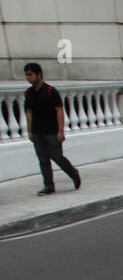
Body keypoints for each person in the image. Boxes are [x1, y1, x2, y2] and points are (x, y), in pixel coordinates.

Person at [23, 62, 81, 196]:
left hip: (52, 132)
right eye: (26, 75)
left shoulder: (50, 91)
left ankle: (73, 174)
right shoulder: (28, 93)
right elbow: (29, 113)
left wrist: (61, 131)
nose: (28, 78)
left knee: (57, 157)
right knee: (43, 160)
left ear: (39, 74)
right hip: (38, 132)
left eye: (30, 74)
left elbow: (59, 111)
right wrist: (30, 131)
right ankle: (48, 186)